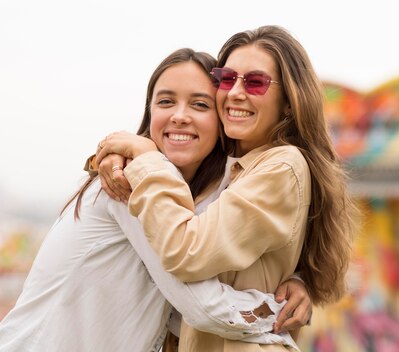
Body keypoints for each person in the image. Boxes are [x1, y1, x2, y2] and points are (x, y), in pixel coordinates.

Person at [0, 48, 310, 352]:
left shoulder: (185, 200)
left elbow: (178, 312)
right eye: (165, 101)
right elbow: (203, 308)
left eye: (200, 104)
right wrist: (278, 310)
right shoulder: (126, 186)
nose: (179, 116)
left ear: (221, 119)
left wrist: (296, 280)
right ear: (150, 112)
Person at [95, 25, 361, 351]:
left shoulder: (281, 167)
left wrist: (145, 158)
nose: (235, 92)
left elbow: (187, 252)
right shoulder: (232, 167)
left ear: (290, 102)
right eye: (227, 78)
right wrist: (116, 156)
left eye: (255, 82)